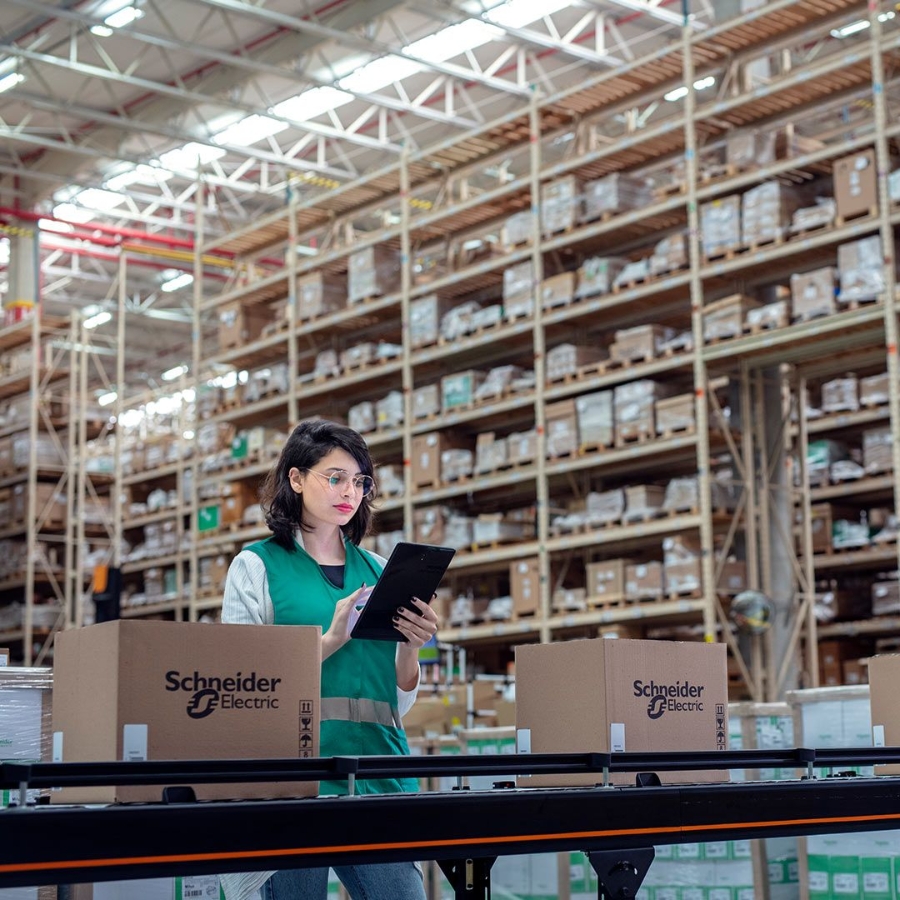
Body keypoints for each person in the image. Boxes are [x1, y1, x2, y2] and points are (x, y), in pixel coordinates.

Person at [220, 419, 439, 900]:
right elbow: (241, 688)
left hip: (379, 775)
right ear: (296, 480)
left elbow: (396, 704)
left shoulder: (381, 569)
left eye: (360, 481)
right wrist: (332, 639)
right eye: (335, 477)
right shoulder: (256, 567)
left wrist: (410, 646)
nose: (350, 492)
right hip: (293, 786)